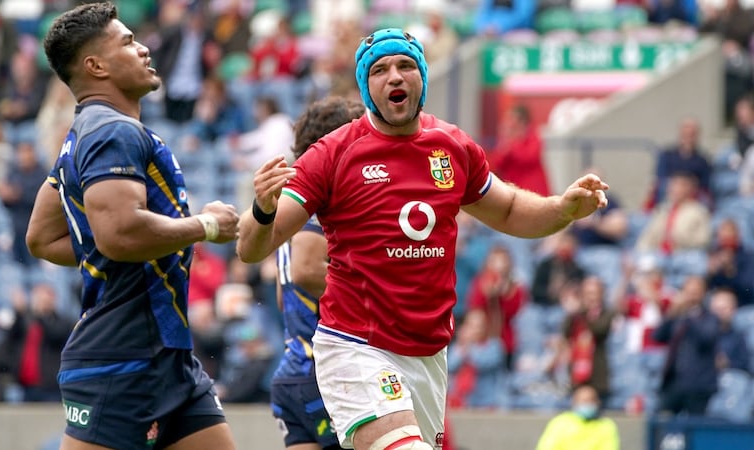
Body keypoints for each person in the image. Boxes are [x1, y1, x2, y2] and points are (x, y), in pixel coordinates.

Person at [236, 28, 609, 450]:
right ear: (366, 86)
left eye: (405, 65)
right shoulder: (332, 153)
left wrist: (562, 209)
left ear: (422, 77)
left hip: (427, 353)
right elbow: (251, 249)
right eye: (379, 70)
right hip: (356, 345)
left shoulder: (452, 146)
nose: (394, 76)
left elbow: (507, 210)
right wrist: (262, 207)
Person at [25, 3, 239, 450]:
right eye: (127, 41)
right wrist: (205, 226)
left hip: (168, 354)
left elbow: (44, 238)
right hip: (121, 356)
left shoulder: (84, 133)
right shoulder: (111, 132)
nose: (143, 48)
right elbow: (118, 234)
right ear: (95, 66)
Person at [271, 96, 364, 450]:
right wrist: (373, 297)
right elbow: (306, 270)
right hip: (325, 373)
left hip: (293, 374)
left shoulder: (290, 202)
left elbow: (285, 293)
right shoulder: (319, 196)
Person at [653, 276, 720, 416]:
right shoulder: (678, 316)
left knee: (696, 426)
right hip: (674, 383)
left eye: (695, 292)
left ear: (703, 293)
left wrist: (691, 316)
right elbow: (658, 336)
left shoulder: (710, 318)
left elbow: (706, 338)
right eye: (688, 292)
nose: (691, 296)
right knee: (662, 422)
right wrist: (671, 313)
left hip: (698, 385)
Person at [535, 385, 620, 450]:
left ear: (597, 402)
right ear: (574, 402)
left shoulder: (606, 426)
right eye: (584, 401)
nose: (587, 404)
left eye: (591, 400)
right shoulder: (560, 423)